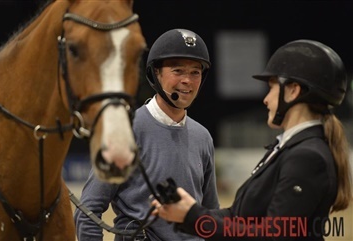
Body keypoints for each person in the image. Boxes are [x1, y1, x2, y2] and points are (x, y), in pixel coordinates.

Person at [152, 39, 352, 240]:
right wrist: (189, 212)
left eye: (272, 87)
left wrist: (195, 218)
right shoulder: (289, 148)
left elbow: (273, 236)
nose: (266, 99)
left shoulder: (307, 156)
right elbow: (239, 216)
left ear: (293, 90)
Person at [74, 28, 219, 241]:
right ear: (156, 74)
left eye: (195, 72)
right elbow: (88, 211)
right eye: (178, 71)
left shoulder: (202, 137)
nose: (187, 80)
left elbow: (210, 215)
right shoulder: (126, 131)